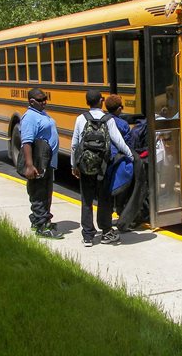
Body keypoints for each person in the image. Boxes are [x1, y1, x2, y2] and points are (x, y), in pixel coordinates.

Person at [71, 90, 134, 247]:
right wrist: (130, 156)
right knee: (104, 199)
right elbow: (118, 141)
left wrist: (74, 164)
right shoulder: (108, 119)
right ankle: (106, 231)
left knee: (86, 199)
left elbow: (74, 144)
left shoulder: (80, 119)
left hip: (86, 165)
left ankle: (87, 235)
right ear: (100, 101)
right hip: (104, 166)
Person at [20, 88, 63, 239]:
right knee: (39, 192)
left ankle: (40, 220)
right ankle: (41, 227)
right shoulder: (30, 117)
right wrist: (30, 165)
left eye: (46, 99)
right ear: (31, 102)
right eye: (41, 100)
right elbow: (26, 142)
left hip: (47, 161)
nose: (44, 102)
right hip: (38, 161)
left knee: (46, 192)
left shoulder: (40, 113)